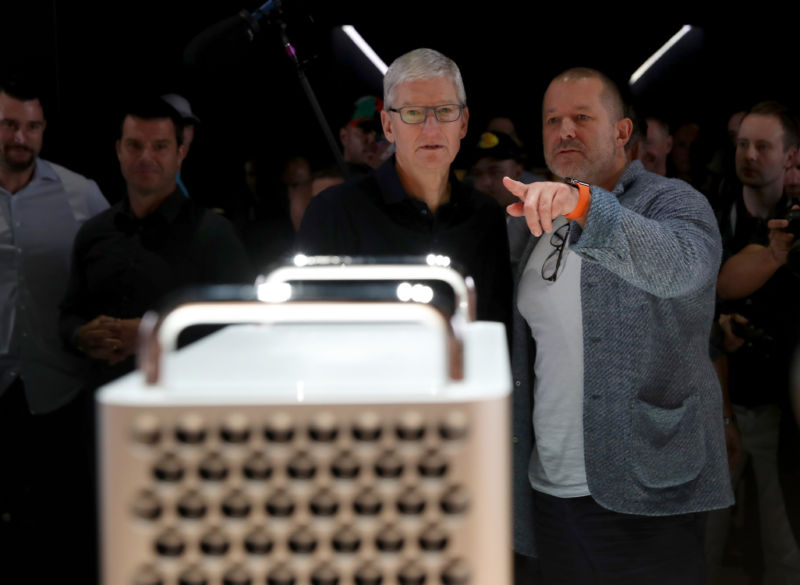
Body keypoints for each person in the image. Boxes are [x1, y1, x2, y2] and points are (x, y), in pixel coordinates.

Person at [508, 67, 733, 585]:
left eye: (582, 117)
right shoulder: (532, 219)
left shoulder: (672, 201)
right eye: (553, 120)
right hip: (550, 485)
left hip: (646, 485)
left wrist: (585, 205)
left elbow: (681, 266)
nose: (564, 130)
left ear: (622, 132)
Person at [296, 48, 512, 325]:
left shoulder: (485, 216)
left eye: (445, 111)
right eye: (413, 113)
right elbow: (309, 328)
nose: (431, 129)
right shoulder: (334, 212)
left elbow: (495, 326)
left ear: (463, 122)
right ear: (388, 125)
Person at [59, 97, 252, 386]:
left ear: (181, 153)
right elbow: (69, 314)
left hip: (184, 405)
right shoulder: (94, 232)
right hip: (104, 405)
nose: (145, 157)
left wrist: (155, 333)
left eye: (159, 147)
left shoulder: (214, 234)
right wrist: (79, 335)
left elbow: (243, 324)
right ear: (119, 151)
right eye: (134, 145)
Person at [0, 78, 109, 583]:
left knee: (62, 529)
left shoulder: (79, 192)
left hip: (59, 386)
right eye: (8, 125)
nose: (19, 137)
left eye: (32, 127)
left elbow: (116, 269)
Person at [709, 101, 800, 585]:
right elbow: (719, 287)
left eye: (763, 146)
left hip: (783, 411)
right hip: (717, 402)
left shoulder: (797, 214)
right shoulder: (712, 209)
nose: (749, 155)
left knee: (786, 545)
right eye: (743, 144)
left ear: (790, 156)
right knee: (706, 539)